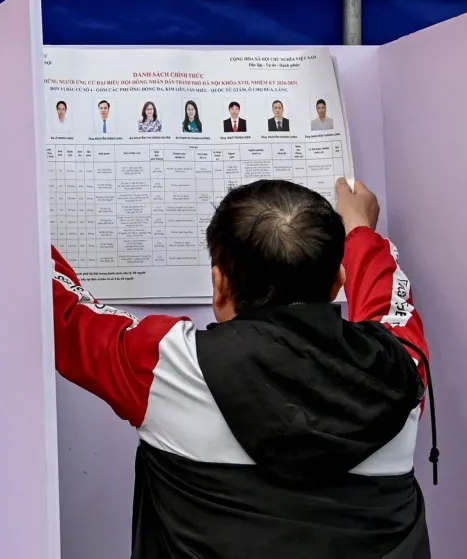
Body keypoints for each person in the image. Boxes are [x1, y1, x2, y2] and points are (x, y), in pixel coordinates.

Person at [51, 178, 436, 559]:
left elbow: (66, 314)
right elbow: (391, 308)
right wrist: (359, 232)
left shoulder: (167, 369)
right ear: (338, 283)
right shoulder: (401, 373)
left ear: (219, 286)